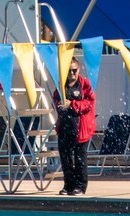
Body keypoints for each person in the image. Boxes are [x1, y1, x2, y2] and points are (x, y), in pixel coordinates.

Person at [52, 58, 96, 196]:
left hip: (81, 128)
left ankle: (80, 186)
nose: (72, 73)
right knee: (65, 158)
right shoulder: (61, 86)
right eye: (69, 70)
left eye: (74, 70)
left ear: (79, 70)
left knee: (80, 159)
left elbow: (89, 103)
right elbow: (56, 100)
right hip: (65, 127)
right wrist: (60, 105)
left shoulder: (84, 85)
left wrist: (72, 105)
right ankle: (68, 185)